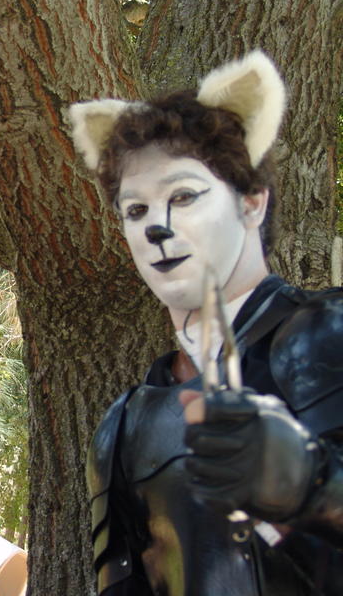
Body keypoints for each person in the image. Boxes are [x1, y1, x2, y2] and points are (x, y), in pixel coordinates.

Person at [67, 50, 343, 595]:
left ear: (251, 203)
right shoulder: (122, 428)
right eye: (136, 210)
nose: (157, 227)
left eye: (184, 196)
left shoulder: (328, 334)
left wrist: (312, 487)